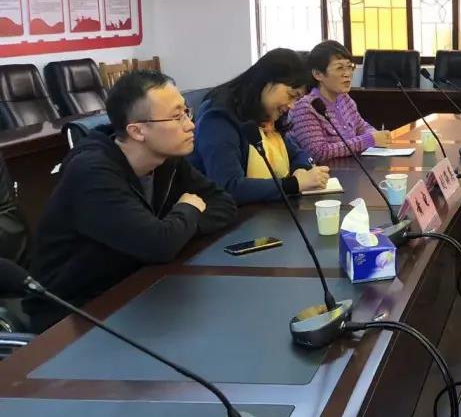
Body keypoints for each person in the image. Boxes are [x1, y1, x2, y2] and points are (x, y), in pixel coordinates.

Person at [24, 71, 236, 331]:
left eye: (186, 112)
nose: (190, 124)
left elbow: (223, 203)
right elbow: (158, 244)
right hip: (73, 314)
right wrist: (187, 210)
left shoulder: (166, 159)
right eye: (176, 116)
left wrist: (177, 229)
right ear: (137, 131)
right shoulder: (91, 173)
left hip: (139, 286)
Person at [192, 48, 330, 205]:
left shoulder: (264, 115)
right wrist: (293, 184)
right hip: (231, 216)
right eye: (292, 95)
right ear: (268, 81)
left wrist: (300, 169)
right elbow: (229, 187)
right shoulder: (218, 118)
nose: (292, 106)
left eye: (297, 100)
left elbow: (299, 153)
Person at [289, 40, 391, 163]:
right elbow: (318, 153)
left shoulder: (344, 99)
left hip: (353, 168)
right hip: (327, 173)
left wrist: (376, 135)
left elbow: (362, 127)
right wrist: (368, 140)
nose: (347, 74)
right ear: (318, 74)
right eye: (339, 68)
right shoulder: (306, 107)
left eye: (349, 67)